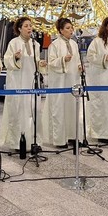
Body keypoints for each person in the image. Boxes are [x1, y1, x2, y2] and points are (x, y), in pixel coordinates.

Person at [0, 17, 47, 151]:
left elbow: (35, 63)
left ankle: (34, 141)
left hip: (32, 83)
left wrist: (41, 64)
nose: (29, 28)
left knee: (34, 111)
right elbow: (7, 61)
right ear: (19, 28)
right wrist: (15, 58)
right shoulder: (13, 43)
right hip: (18, 83)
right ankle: (18, 143)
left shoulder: (35, 44)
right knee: (19, 111)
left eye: (30, 26)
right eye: (26, 26)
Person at [41, 18, 81, 148]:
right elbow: (51, 62)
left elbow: (78, 60)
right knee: (59, 108)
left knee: (72, 107)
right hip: (59, 81)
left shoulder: (74, 44)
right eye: (68, 28)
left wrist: (80, 66)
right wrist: (63, 59)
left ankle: (72, 136)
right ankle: (60, 139)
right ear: (61, 30)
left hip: (72, 80)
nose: (71, 30)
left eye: (71, 27)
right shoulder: (55, 45)